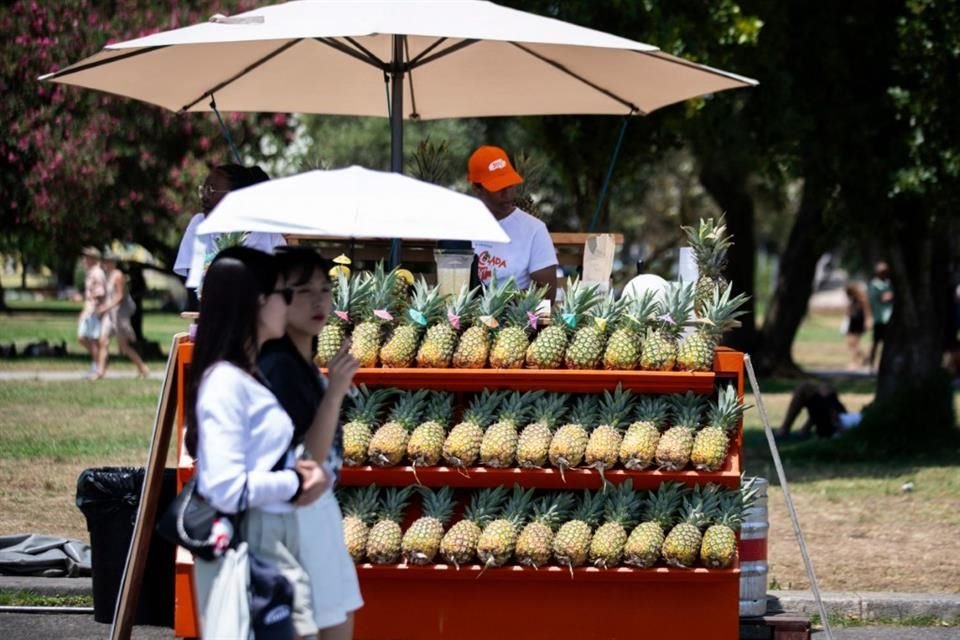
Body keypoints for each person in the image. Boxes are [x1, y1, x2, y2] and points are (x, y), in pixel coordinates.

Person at [185, 246, 329, 640]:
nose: (291, 305)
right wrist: (294, 482)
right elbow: (226, 487)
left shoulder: (246, 375)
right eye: (285, 295)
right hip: (253, 540)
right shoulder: (227, 383)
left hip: (272, 536)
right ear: (257, 303)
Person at [259, 247, 362, 639]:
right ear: (275, 299)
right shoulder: (279, 368)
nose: (318, 300)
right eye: (303, 290)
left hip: (317, 517)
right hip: (296, 520)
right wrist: (335, 391)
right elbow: (308, 465)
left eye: (324, 288)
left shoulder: (300, 362)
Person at [173, 164, 286, 308]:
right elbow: (193, 287)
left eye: (211, 190)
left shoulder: (268, 233)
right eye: (203, 190)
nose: (204, 197)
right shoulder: (199, 224)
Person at [467, 145, 559, 301]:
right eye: (498, 187)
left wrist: (540, 325)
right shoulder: (460, 226)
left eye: (510, 184)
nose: (507, 193)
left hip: (516, 320)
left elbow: (547, 297)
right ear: (477, 189)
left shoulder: (534, 230)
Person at [94, 252, 150, 379]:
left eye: (108, 261)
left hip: (120, 314)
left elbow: (119, 296)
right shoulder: (107, 275)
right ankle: (100, 372)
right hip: (110, 314)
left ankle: (142, 367)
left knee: (123, 346)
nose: (105, 263)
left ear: (114, 262)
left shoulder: (118, 275)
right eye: (104, 261)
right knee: (103, 341)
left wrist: (105, 308)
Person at [776, 380, 862, 440]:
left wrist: (837, 424)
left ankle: (784, 430)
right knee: (826, 388)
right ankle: (804, 430)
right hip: (841, 418)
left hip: (836, 423)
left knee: (804, 388)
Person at [76, 247, 106, 379]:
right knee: (85, 339)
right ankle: (96, 364)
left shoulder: (97, 273)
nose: (84, 259)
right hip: (89, 309)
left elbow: (100, 293)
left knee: (88, 339)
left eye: (87, 257)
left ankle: (97, 366)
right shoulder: (91, 272)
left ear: (93, 259)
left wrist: (90, 310)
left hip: (93, 311)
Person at [867, 261, 894, 370]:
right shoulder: (874, 284)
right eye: (882, 272)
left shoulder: (889, 283)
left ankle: (886, 366)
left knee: (889, 345)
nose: (885, 274)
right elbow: (881, 298)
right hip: (880, 318)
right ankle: (871, 365)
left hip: (890, 318)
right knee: (876, 343)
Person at [843, 282, 869, 370]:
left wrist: (867, 321)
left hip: (859, 323)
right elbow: (849, 311)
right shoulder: (852, 300)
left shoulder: (862, 299)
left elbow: (867, 311)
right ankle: (865, 358)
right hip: (852, 322)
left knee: (854, 344)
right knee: (850, 344)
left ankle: (855, 363)